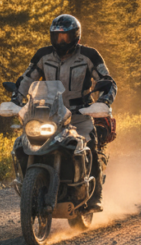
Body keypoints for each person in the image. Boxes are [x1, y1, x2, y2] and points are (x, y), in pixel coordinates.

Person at [17, 14, 116, 211]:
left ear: (76, 36)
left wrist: (104, 100)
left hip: (79, 114)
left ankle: (96, 196)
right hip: (48, 114)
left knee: (89, 145)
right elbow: (27, 79)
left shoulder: (89, 55)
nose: (60, 41)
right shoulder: (43, 55)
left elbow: (107, 80)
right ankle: (25, 184)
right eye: (56, 37)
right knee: (22, 143)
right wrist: (16, 98)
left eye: (65, 37)